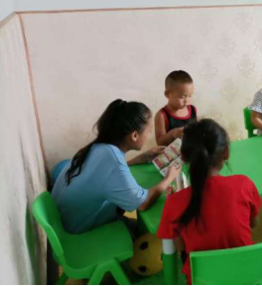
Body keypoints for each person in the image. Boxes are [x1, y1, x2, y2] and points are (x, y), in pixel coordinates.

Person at [157, 119, 262, 285]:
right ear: (226, 153)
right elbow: (253, 223)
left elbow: (181, 247)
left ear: (183, 157)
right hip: (246, 277)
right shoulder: (244, 184)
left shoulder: (175, 202)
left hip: (204, 281)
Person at [52, 100, 180, 234]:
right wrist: (169, 178)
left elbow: (106, 174)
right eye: (149, 131)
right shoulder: (113, 161)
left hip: (62, 214)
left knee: (122, 202)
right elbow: (143, 204)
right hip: (74, 227)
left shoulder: (101, 146)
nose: (149, 135)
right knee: (131, 216)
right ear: (134, 135)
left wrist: (141, 158)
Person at [155, 70, 198, 146]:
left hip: (191, 151)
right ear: (167, 94)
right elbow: (160, 143)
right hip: (171, 153)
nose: (187, 100)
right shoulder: (162, 115)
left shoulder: (193, 110)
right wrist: (173, 134)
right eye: (182, 97)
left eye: (190, 95)